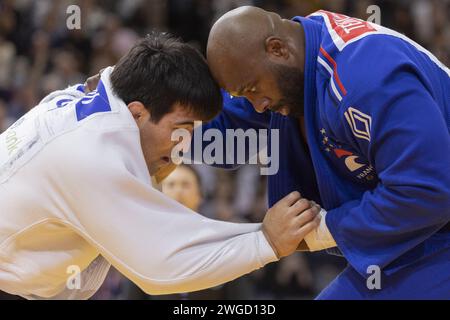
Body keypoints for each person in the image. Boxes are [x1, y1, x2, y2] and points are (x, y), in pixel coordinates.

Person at [0, 32, 321, 299]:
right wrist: (266, 242)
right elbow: (161, 267)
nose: (181, 144)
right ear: (137, 113)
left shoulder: (97, 97)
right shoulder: (92, 157)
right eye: (179, 129)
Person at [201, 6, 450, 299]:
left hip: (436, 221)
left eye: (252, 89)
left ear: (277, 49)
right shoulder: (296, 55)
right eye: (245, 95)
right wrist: (158, 127)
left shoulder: (364, 80)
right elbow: (222, 128)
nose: (257, 106)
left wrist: (322, 230)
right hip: (427, 230)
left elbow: (428, 190)